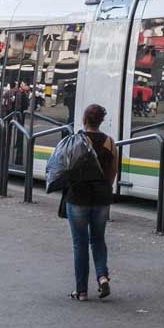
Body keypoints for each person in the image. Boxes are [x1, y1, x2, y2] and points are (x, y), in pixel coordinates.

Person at [60, 103, 119, 301]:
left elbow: (64, 167)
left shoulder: (74, 141)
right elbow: (113, 172)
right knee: (98, 240)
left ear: (84, 120)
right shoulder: (110, 142)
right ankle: (102, 276)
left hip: (77, 197)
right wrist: (105, 188)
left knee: (80, 243)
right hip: (101, 198)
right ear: (101, 121)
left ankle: (81, 291)